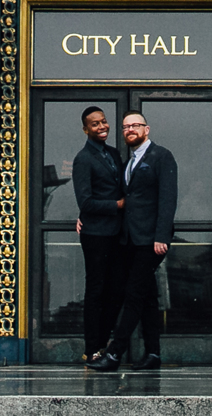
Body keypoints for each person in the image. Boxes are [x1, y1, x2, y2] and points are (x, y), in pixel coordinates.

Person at [88, 111, 177, 372]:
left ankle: (114, 354)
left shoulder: (162, 156)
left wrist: (162, 235)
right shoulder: (128, 162)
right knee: (147, 296)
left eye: (135, 126)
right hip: (130, 239)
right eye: (126, 127)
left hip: (151, 240)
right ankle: (153, 353)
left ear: (147, 129)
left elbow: (168, 198)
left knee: (134, 294)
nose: (130, 130)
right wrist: (85, 216)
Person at [70, 106, 125, 365]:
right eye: (95, 124)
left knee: (115, 292)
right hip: (95, 235)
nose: (101, 126)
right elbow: (86, 202)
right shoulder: (83, 158)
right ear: (85, 129)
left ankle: (104, 345)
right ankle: (91, 349)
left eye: (103, 122)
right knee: (96, 292)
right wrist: (117, 206)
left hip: (116, 234)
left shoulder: (113, 153)